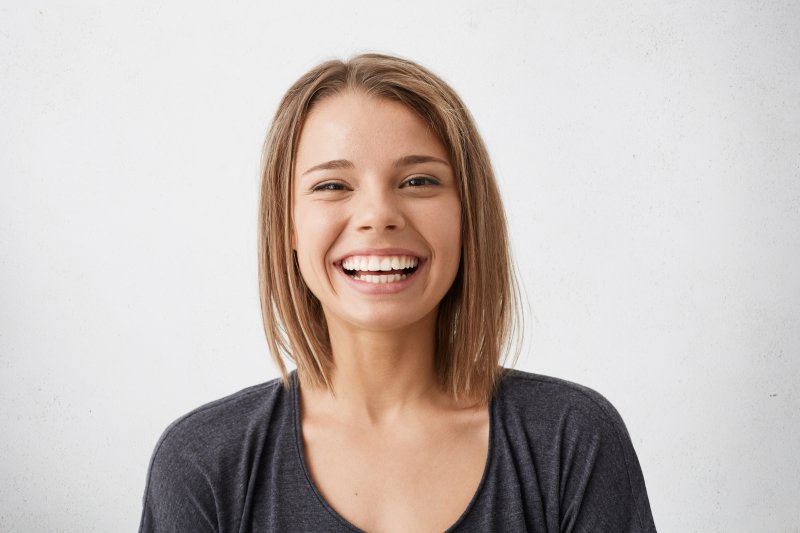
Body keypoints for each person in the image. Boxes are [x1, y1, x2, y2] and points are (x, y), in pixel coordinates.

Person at [138, 53, 657, 532]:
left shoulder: (573, 440)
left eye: (418, 182)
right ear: (288, 227)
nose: (378, 215)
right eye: (332, 185)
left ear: (468, 216)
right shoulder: (200, 463)